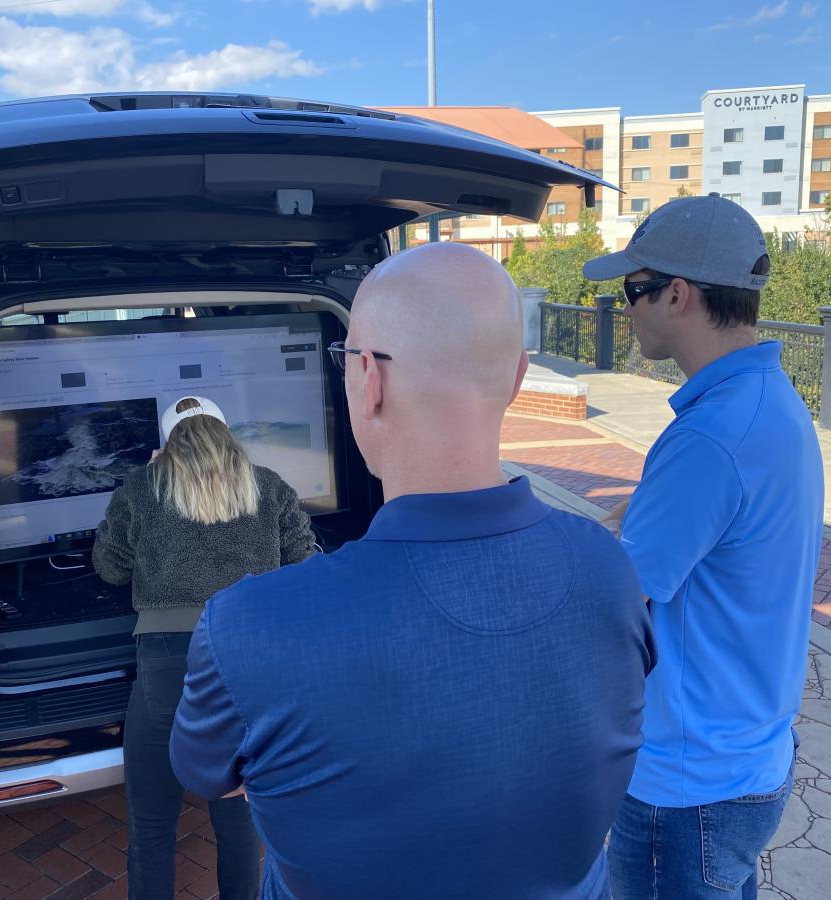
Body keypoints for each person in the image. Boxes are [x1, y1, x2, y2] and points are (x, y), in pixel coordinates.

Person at [168, 242, 655, 899]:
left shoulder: (248, 625)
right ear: (515, 378)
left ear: (370, 378)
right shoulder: (610, 570)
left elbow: (208, 775)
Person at [583, 194, 825, 900]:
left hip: (687, 788)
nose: (624, 307)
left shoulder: (708, 438)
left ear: (678, 295)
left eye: (633, 289)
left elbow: (616, 593)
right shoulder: (769, 400)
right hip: (748, 756)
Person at [93, 395, 316, 900]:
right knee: (238, 825)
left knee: (151, 825)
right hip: (250, 656)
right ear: (226, 435)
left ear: (168, 445)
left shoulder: (142, 488)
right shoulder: (269, 486)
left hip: (167, 661)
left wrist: (148, 483)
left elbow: (109, 566)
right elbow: (303, 561)